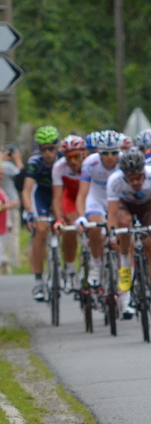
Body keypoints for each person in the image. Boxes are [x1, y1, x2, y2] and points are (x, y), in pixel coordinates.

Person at [107, 149, 151, 326]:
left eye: (138, 177)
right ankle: (125, 264)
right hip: (125, 206)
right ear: (124, 175)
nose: (135, 181)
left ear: (144, 171)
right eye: (130, 178)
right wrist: (112, 234)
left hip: (148, 207)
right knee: (123, 222)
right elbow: (111, 215)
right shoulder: (115, 181)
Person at [75, 131, 121, 289]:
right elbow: (82, 194)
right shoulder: (90, 163)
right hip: (96, 200)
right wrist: (81, 217)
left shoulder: (124, 161)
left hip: (117, 200)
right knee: (95, 227)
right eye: (106, 153)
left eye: (114, 152)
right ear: (99, 152)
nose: (110, 156)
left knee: (122, 233)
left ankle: (123, 276)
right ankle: (96, 263)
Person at [22, 126, 61, 301]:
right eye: (43, 149)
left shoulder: (63, 160)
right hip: (41, 198)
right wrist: (30, 212)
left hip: (60, 196)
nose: (47, 153)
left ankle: (70, 270)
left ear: (57, 147)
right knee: (41, 229)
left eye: (51, 148)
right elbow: (27, 190)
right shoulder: (35, 162)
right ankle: (38, 281)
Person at [51, 135, 86, 293]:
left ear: (83, 154)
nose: (72, 161)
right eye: (68, 157)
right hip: (70, 198)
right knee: (70, 226)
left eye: (76, 156)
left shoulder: (91, 165)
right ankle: (70, 269)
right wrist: (59, 220)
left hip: (89, 198)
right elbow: (57, 198)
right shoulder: (59, 167)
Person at [1, 145, 23, 273]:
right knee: (13, 234)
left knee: (3, 234)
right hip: (11, 203)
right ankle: (14, 262)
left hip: (3, 203)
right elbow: (21, 174)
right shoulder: (7, 167)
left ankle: (4, 258)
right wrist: (17, 159)